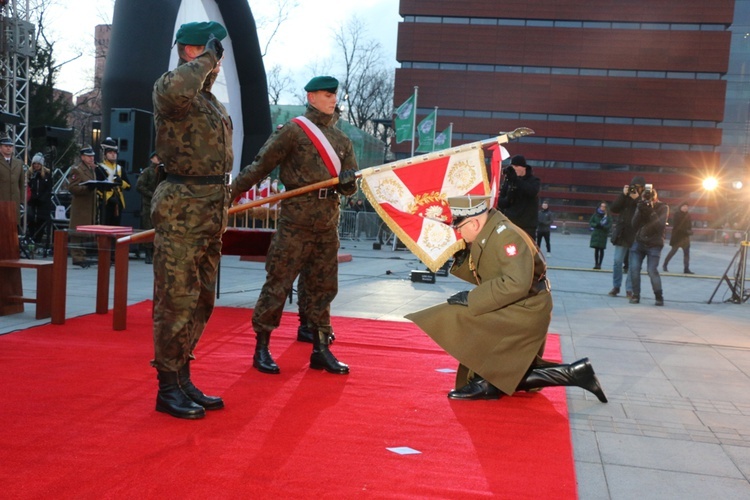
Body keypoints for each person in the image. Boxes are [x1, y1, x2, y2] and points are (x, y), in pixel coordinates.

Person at [406, 195, 607, 403]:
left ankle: (493, 382)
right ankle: (572, 373)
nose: (458, 232)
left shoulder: (506, 236)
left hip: (526, 308)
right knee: (504, 367)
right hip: (520, 303)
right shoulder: (491, 231)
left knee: (459, 316)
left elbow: (516, 283)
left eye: (459, 227)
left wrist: (472, 298)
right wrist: (459, 253)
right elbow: (487, 270)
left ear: (474, 222)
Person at [230, 75, 358, 376]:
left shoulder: (341, 140)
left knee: (323, 286)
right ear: (311, 97)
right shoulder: (294, 132)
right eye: (326, 95)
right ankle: (262, 346)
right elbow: (260, 166)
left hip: (327, 224)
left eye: (334, 95)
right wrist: (230, 194)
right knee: (279, 283)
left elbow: (351, 184)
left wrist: (349, 184)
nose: (333, 100)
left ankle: (321, 348)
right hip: (295, 223)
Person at [150, 21, 231, 419]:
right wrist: (205, 59)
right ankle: (167, 387)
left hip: (210, 210)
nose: (217, 61)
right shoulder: (171, 89)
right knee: (176, 301)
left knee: (202, 299)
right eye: (210, 52)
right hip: (182, 210)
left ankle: (182, 376)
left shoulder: (210, 102)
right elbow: (180, 88)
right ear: (189, 52)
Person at [629, 186, 669, 306]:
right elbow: (634, 224)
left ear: (655, 198)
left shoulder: (663, 207)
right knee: (634, 269)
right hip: (639, 241)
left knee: (652, 270)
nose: (647, 199)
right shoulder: (641, 205)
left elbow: (660, 226)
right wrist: (640, 209)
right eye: (644, 197)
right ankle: (636, 295)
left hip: (654, 243)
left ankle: (659, 297)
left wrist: (651, 211)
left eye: (649, 197)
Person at [67, 146, 104, 268]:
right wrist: (87, 188)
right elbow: (72, 188)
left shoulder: (91, 169)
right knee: (78, 233)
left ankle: (82, 255)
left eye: (92, 156)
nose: (91, 158)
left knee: (85, 232)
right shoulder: (77, 170)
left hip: (90, 206)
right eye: (88, 156)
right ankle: (77, 256)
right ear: (82, 157)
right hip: (81, 207)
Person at [608, 176, 645, 297]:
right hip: (622, 234)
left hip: (636, 235)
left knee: (632, 264)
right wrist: (623, 195)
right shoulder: (625, 196)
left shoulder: (644, 197)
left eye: (638, 187)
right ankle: (616, 286)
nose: (635, 189)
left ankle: (629, 289)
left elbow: (645, 211)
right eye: (634, 187)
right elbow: (613, 208)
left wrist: (637, 199)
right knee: (617, 261)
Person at [496, 154, 540, 239]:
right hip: (511, 224)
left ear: (524, 167)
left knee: (527, 251)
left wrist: (516, 180)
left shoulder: (534, 181)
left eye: (516, 166)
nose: (514, 169)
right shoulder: (508, 182)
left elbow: (532, 192)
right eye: (512, 166)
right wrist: (509, 198)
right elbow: (501, 203)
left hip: (527, 226)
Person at [136, 152, 163, 264]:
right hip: (149, 204)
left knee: (158, 228)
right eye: (157, 157)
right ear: (152, 158)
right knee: (148, 228)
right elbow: (139, 186)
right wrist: (152, 195)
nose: (159, 159)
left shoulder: (163, 171)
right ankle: (148, 253)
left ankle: (155, 252)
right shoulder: (147, 171)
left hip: (160, 204)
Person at [97, 137, 131, 226]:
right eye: (110, 152)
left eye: (115, 152)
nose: (113, 155)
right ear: (105, 154)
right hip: (106, 202)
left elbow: (128, 186)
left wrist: (121, 182)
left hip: (118, 201)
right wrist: (107, 197)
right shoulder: (100, 168)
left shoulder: (120, 169)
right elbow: (97, 187)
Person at [26, 153, 53, 245]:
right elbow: (28, 187)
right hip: (32, 202)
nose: (36, 165)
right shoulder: (30, 174)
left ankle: (38, 239)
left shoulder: (47, 174)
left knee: (41, 221)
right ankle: (32, 238)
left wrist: (42, 198)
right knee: (31, 220)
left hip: (43, 202)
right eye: (34, 163)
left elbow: (49, 188)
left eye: (38, 163)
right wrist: (32, 197)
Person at [662, 202, 693, 274]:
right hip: (677, 237)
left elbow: (689, 225)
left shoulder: (688, 215)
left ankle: (686, 269)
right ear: (680, 207)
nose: (685, 208)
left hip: (685, 238)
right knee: (673, 252)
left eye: (686, 206)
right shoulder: (677, 214)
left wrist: (690, 231)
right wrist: (686, 231)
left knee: (686, 254)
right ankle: (665, 265)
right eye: (684, 206)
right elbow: (677, 226)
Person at [0, 136, 24, 226]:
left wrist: (21, 200)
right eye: (6, 146)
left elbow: (21, 183)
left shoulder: (18, 163)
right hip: (1, 200)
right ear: (0, 147)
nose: (8, 148)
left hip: (14, 201)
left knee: (13, 226)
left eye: (10, 146)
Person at [589, 201, 611, 270]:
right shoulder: (595, 215)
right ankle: (596, 264)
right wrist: (596, 225)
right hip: (596, 234)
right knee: (596, 250)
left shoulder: (607, 216)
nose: (603, 208)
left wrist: (604, 227)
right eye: (601, 206)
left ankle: (600, 264)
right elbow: (591, 222)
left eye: (604, 206)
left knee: (601, 250)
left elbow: (609, 225)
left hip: (603, 234)